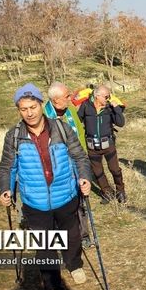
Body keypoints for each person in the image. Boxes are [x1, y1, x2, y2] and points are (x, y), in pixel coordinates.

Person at [0, 83, 92, 290]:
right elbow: (6, 167)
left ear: (41, 105)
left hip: (66, 195)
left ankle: (74, 264)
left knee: (71, 234)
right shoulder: (15, 135)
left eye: (32, 107)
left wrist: (84, 177)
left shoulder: (61, 128)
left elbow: (79, 156)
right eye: (23, 109)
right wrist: (5, 189)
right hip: (34, 202)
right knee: (44, 246)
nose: (29, 113)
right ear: (19, 111)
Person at [44, 82, 92, 248]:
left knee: (80, 201)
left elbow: (80, 133)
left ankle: (84, 234)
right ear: (56, 100)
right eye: (67, 96)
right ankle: (62, 240)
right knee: (60, 205)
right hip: (58, 168)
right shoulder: (44, 115)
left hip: (76, 163)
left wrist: (83, 158)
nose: (70, 99)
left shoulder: (70, 111)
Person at [77, 85, 126, 203]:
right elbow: (78, 120)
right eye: (106, 96)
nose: (108, 99)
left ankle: (120, 191)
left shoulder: (109, 107)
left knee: (115, 170)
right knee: (98, 172)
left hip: (108, 144)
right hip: (92, 146)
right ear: (97, 96)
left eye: (109, 96)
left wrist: (117, 109)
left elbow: (120, 123)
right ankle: (107, 192)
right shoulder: (85, 106)